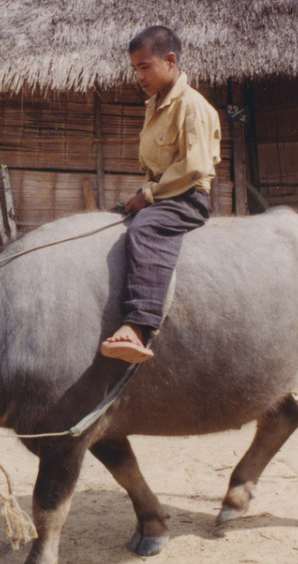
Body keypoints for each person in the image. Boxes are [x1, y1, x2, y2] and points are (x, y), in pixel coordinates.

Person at [99, 25, 222, 363]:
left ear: (169, 61)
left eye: (144, 67)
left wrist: (149, 196)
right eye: (134, 69)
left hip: (187, 197)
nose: (138, 76)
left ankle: (139, 325)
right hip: (163, 191)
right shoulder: (155, 104)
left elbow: (194, 166)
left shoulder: (192, 106)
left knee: (145, 228)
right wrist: (144, 194)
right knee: (114, 216)